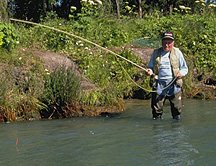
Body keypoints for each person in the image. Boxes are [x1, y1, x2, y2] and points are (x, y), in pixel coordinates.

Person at [146, 31, 188, 120]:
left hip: (174, 84)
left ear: (173, 42)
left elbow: (184, 68)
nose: (167, 44)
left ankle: (176, 128)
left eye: (169, 42)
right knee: (156, 110)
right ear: (162, 42)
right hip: (159, 84)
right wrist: (149, 71)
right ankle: (157, 127)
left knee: (176, 110)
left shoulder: (177, 52)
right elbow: (150, 67)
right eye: (165, 42)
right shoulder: (156, 52)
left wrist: (181, 73)